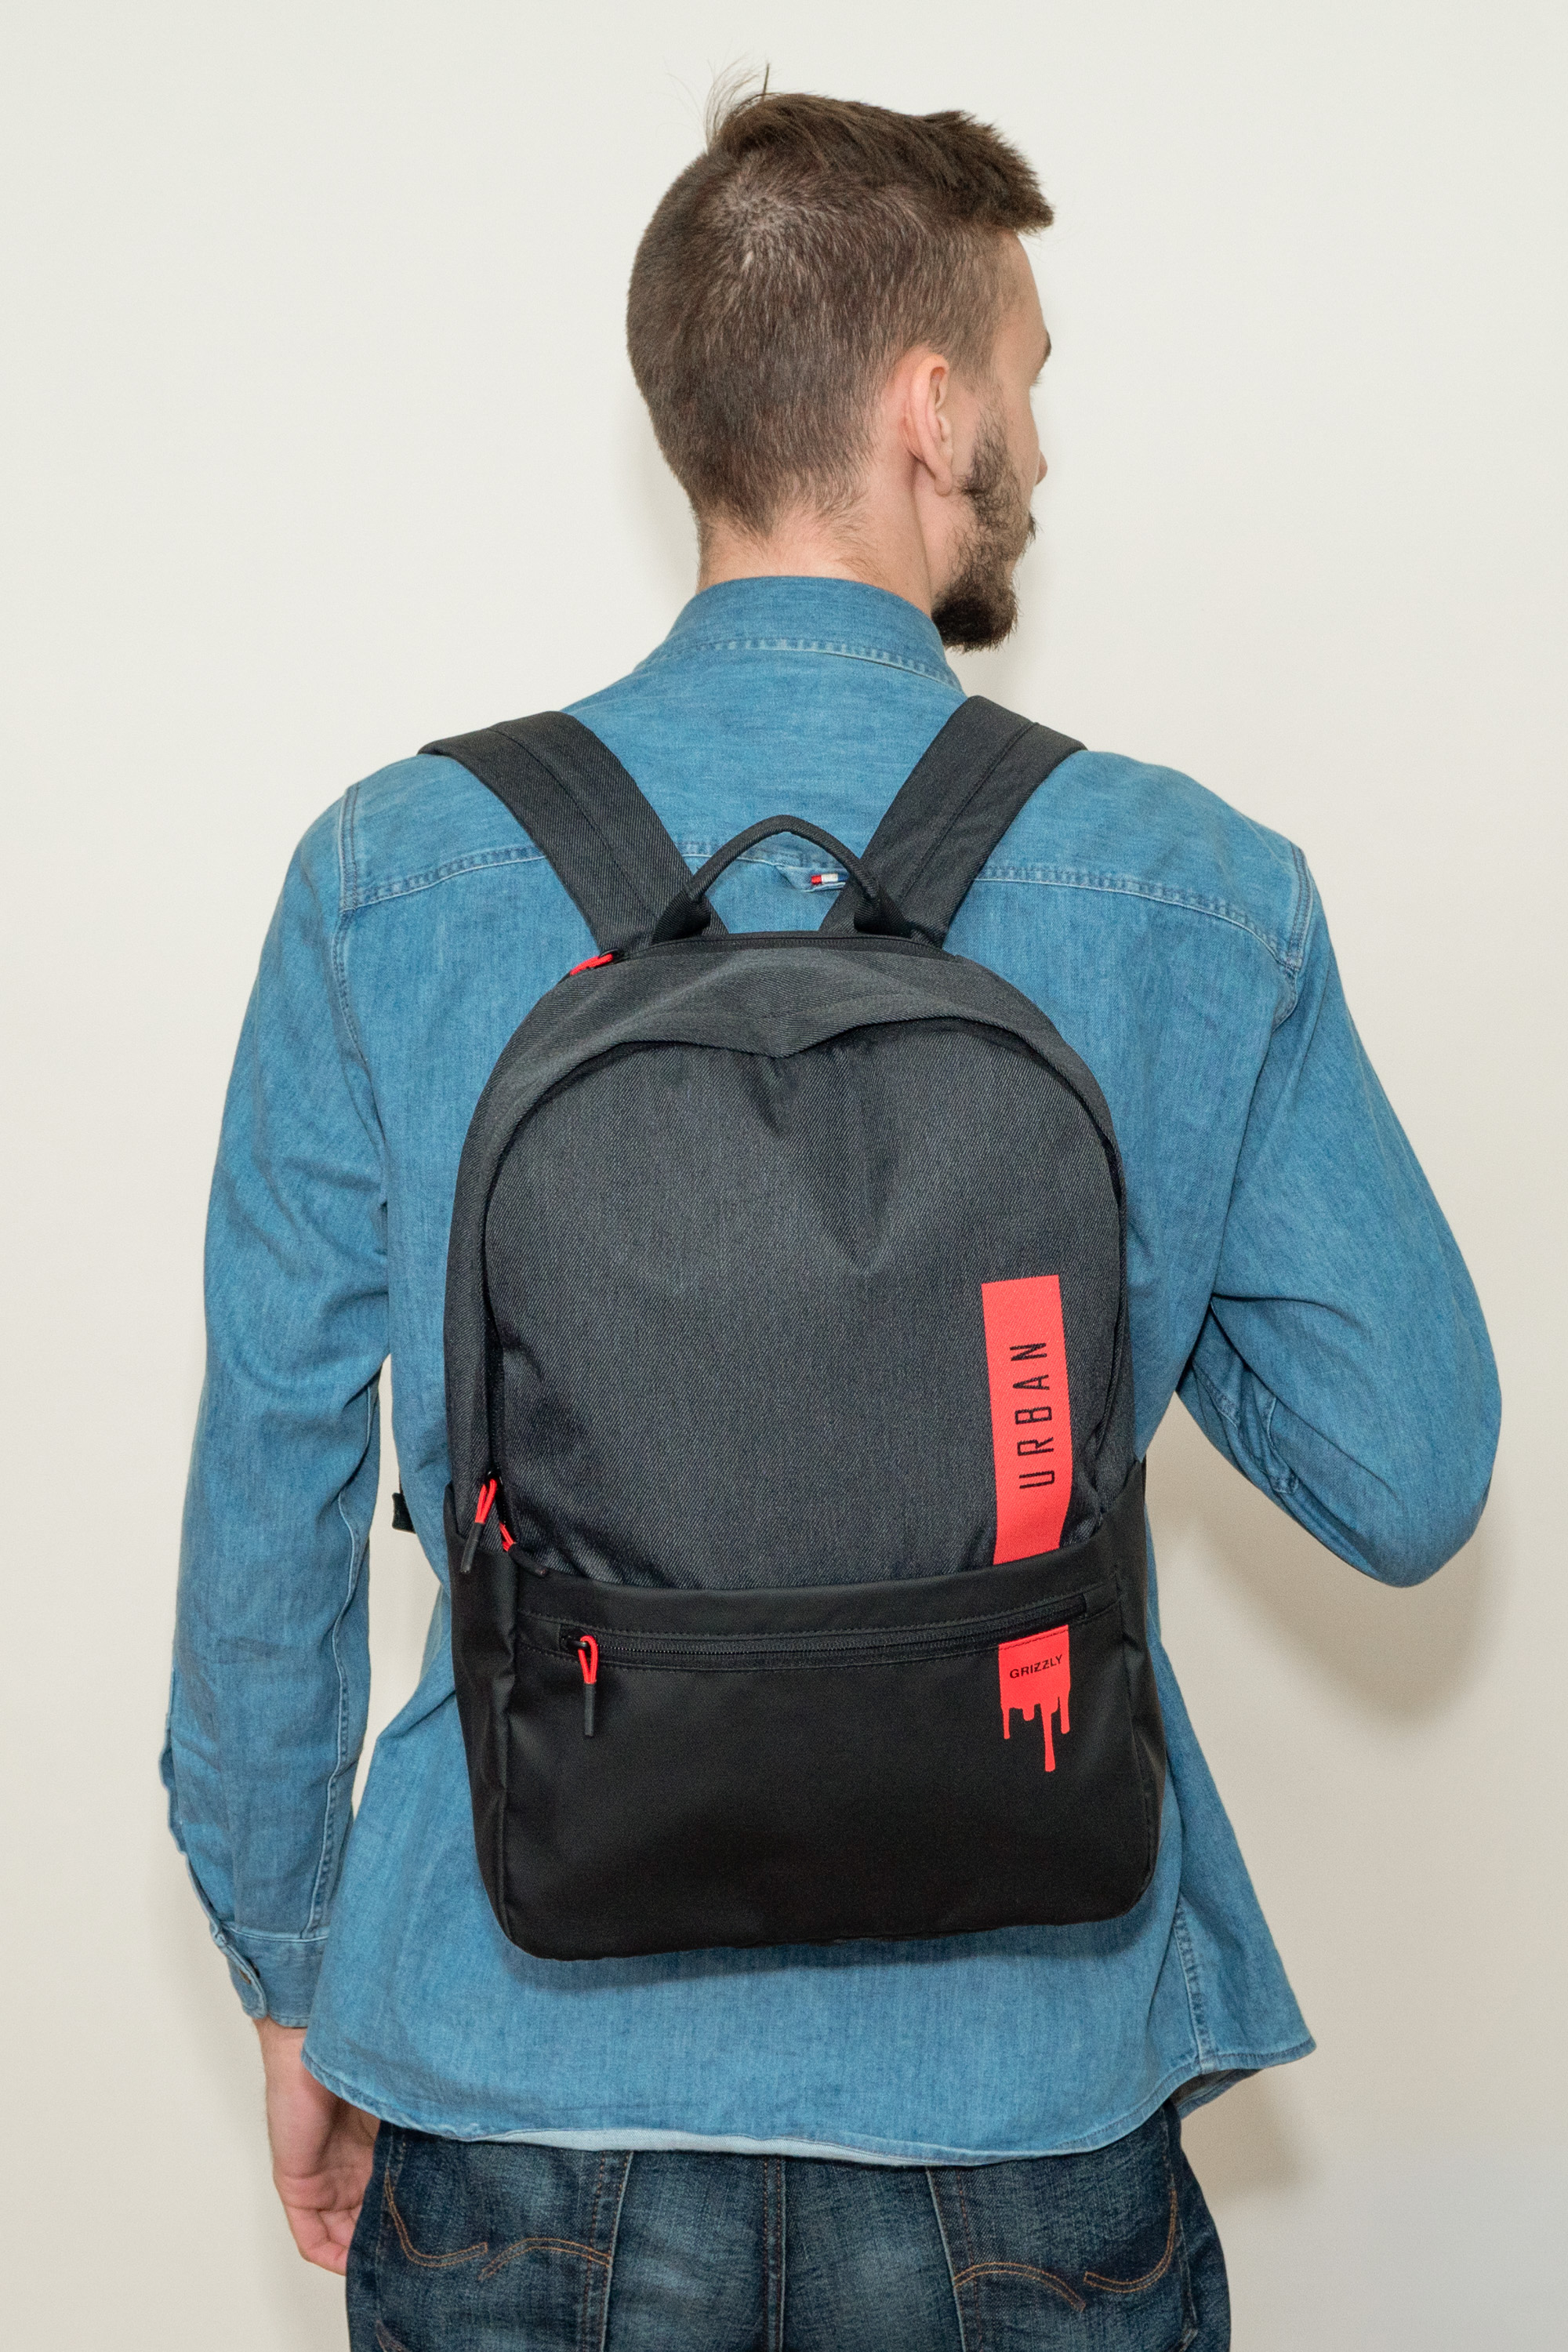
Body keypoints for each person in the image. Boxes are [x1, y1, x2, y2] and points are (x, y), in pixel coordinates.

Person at [164, 89, 1499, 2350]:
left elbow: (267, 1503)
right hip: (1026, 2105)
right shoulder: (1191, 892)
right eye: (1034, 382)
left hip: (515, 2073)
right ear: (928, 408)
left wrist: (300, 1980)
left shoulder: (387, 876)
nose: (1046, 448)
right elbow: (1411, 1473)